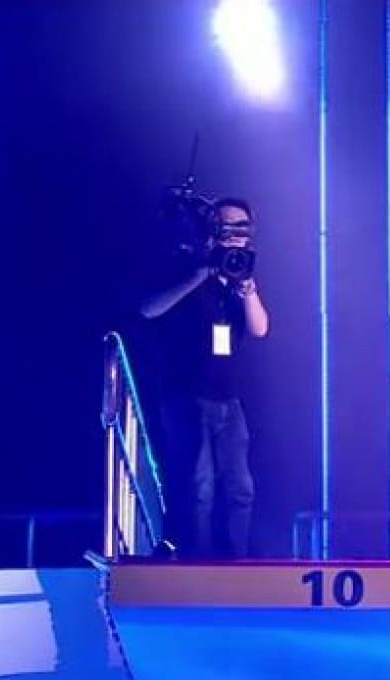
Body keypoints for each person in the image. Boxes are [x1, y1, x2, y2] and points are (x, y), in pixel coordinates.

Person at [141, 197, 269, 559]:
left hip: (228, 397)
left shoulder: (239, 272)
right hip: (187, 393)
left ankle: (237, 559)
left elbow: (260, 328)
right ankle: (198, 561)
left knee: (240, 486)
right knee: (200, 486)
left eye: (242, 227)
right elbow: (149, 309)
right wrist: (201, 274)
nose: (235, 234)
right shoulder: (186, 266)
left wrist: (248, 290)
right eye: (228, 226)